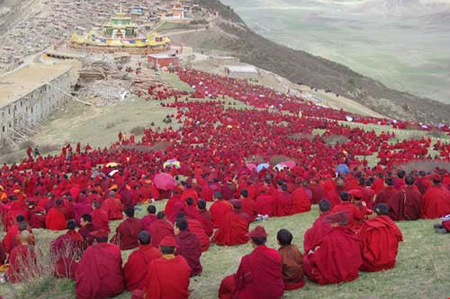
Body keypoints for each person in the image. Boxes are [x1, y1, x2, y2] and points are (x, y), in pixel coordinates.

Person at [219, 226, 284, 299]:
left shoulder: (247, 259)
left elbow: (239, 281)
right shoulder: (275, 254)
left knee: (227, 281)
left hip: (257, 295)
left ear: (252, 241)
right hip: (276, 292)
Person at [303, 212, 362, 285]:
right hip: (350, 270)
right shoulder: (353, 235)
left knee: (306, 261)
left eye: (332, 223)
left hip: (335, 273)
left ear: (336, 224)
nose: (331, 225)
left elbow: (320, 258)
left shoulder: (329, 238)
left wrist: (312, 253)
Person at [75, 230, 124, 299]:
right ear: (107, 239)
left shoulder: (89, 250)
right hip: (114, 287)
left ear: (96, 240)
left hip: (95, 288)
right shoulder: (115, 248)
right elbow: (119, 267)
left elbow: (81, 269)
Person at [359, 204, 403, 272]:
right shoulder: (391, 225)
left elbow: (360, 243)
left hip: (371, 265)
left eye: (372, 212)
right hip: (389, 263)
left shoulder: (368, 225)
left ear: (376, 212)